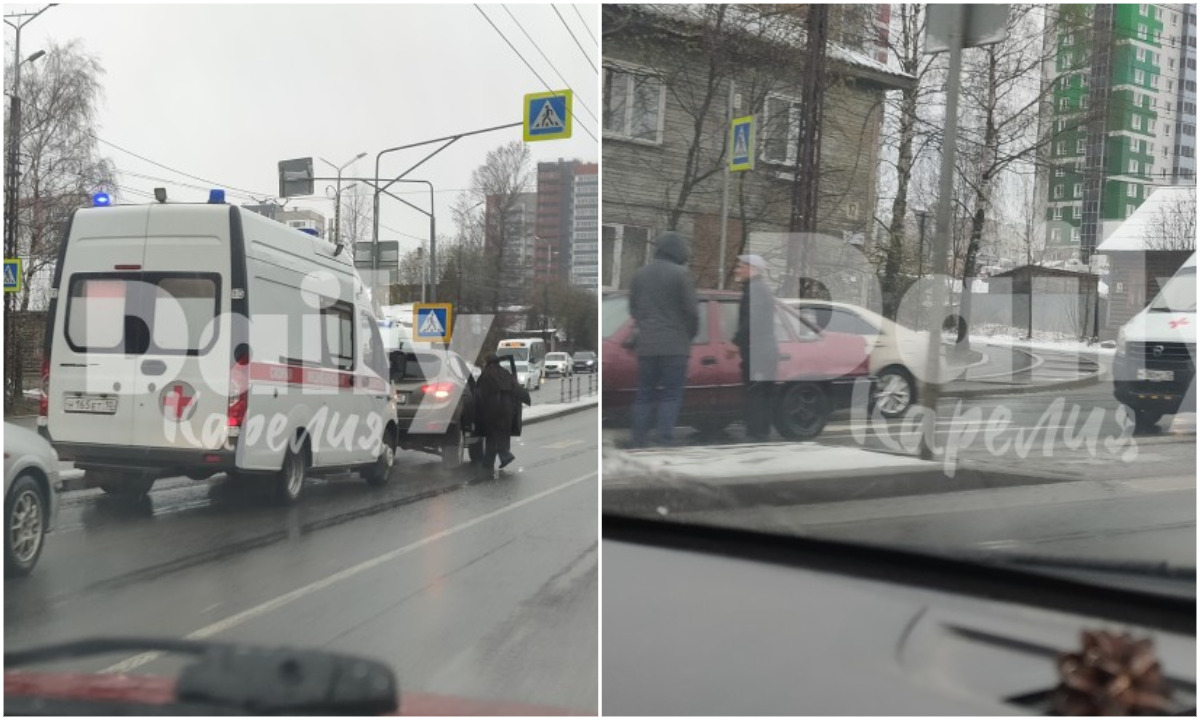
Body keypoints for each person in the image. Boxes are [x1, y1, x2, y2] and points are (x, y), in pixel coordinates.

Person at [626, 231, 700, 448]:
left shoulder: (640, 274)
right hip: (676, 346)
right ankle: (664, 439)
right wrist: (689, 335)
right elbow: (692, 312)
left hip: (647, 346)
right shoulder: (681, 274)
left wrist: (646, 326)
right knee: (670, 395)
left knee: (644, 394)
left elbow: (633, 308)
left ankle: (639, 439)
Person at [730, 254, 779, 442]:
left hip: (759, 352)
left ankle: (756, 437)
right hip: (764, 350)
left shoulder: (755, 290)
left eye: (741, 266)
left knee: (757, 396)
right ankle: (760, 436)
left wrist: (736, 341)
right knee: (762, 395)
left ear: (753, 269)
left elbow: (752, 319)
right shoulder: (759, 288)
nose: (737, 270)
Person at [473, 354, 531, 475]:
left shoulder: (486, 375)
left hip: (492, 411)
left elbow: (479, 394)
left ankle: (498, 459)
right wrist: (525, 398)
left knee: (492, 438)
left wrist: (474, 411)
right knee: (501, 436)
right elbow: (516, 388)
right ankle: (494, 461)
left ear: (488, 362)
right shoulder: (505, 373)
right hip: (508, 412)